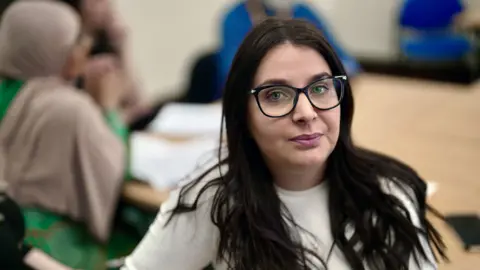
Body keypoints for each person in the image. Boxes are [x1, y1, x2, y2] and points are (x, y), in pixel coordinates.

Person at [122, 18, 447, 270]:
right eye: (276, 95)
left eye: (320, 88)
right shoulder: (215, 197)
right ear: (242, 115)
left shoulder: (389, 194)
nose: (306, 113)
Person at [0, 1, 138, 268]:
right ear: (52, 49)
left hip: (9, 234)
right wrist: (109, 110)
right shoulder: (68, 107)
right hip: (53, 247)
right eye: (76, 40)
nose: (85, 46)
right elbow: (116, 170)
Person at [215, 0, 361, 100]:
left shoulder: (303, 12)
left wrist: (325, 82)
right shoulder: (235, 18)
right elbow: (234, 78)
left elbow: (347, 62)